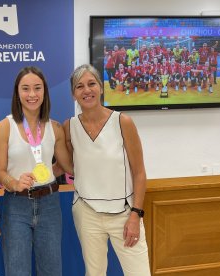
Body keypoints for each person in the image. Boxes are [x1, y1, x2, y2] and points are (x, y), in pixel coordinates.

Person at [63, 64, 151, 276]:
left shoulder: (122, 122)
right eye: (79, 86)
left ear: (101, 87)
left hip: (124, 214)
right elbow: (70, 166)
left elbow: (139, 173)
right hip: (87, 213)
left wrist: (135, 215)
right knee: (95, 273)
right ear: (73, 94)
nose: (87, 90)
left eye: (92, 84)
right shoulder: (69, 127)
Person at [0, 66, 73, 276]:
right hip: (16, 204)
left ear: (44, 92)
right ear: (17, 93)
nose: (32, 94)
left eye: (37, 88)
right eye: (25, 89)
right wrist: (14, 183)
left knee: (51, 270)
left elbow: (66, 166)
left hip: (49, 204)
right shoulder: (4, 127)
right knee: (17, 270)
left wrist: (47, 172)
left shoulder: (55, 128)